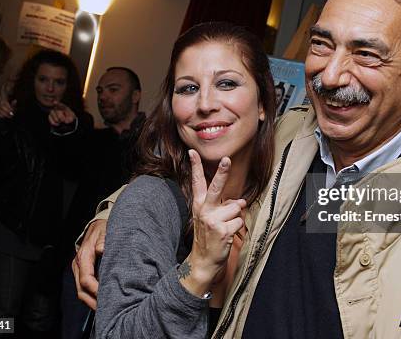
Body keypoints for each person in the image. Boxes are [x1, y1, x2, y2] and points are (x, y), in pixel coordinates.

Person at [76, 0, 401, 338]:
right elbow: (193, 172)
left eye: (366, 54)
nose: (329, 76)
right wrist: (111, 218)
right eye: (323, 45)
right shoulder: (288, 141)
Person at [93, 22, 276, 338]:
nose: (205, 104)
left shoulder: (290, 191)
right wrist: (198, 269)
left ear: (262, 103)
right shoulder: (149, 200)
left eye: (227, 83)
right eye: (188, 88)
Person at [0, 49, 93, 337]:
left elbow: (76, 170)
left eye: (59, 81)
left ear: (68, 86)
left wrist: (69, 129)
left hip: (51, 242)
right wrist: (2, 124)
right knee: (1, 313)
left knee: (40, 319)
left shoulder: (80, 122)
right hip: (10, 231)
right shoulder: (13, 114)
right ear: (33, 81)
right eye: (44, 79)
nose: (50, 88)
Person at [61, 66, 145, 339]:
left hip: (129, 265)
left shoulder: (153, 140)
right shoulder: (94, 140)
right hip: (81, 255)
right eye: (99, 91)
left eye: (113, 89)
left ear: (135, 96)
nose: (104, 97)